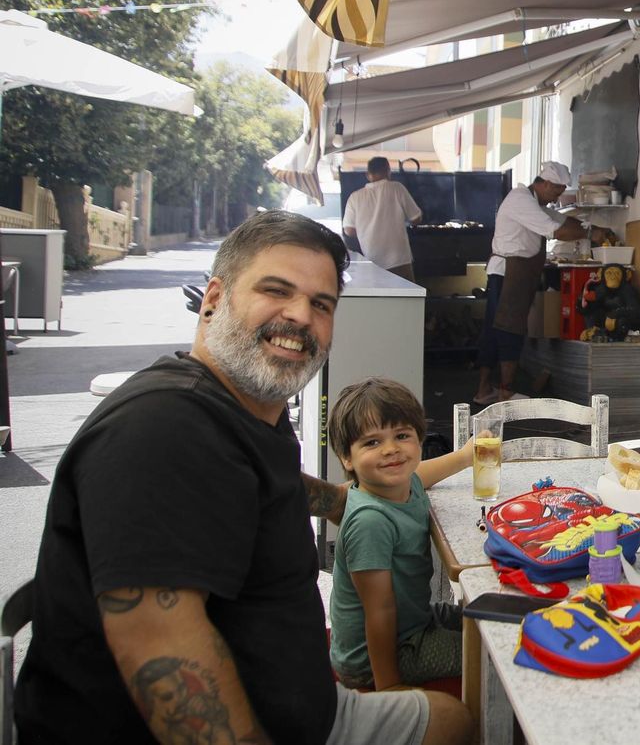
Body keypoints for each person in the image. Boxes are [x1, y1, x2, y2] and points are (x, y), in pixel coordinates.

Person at [15, 211, 472, 745]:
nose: (300, 316)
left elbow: (270, 487)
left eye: (321, 304)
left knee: (458, 705)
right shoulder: (163, 429)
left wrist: (342, 501)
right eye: (276, 291)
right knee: (464, 715)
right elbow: (159, 648)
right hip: (257, 724)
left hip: (301, 696)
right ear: (213, 299)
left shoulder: (243, 414)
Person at [327, 377, 472, 690]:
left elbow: (423, 472)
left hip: (414, 618)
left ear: (419, 440)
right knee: (488, 648)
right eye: (372, 442)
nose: (391, 450)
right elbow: (379, 612)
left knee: (487, 617)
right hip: (379, 655)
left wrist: (464, 457)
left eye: (402, 436)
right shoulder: (370, 522)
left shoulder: (404, 482)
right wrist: (389, 688)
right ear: (347, 458)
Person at [476, 160, 594, 405]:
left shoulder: (535, 202)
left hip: (513, 272)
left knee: (494, 331)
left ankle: (484, 390)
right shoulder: (521, 199)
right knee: (509, 330)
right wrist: (592, 234)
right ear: (546, 184)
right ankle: (505, 391)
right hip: (508, 273)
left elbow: (562, 220)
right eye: (557, 191)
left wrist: (592, 226)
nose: (556, 198)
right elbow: (556, 231)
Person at [342, 156, 424, 281]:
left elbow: (349, 231)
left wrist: (367, 229)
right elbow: (416, 219)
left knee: (379, 293)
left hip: (371, 261)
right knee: (405, 293)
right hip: (399, 260)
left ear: (368, 175)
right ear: (388, 171)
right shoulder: (397, 188)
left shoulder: (355, 197)